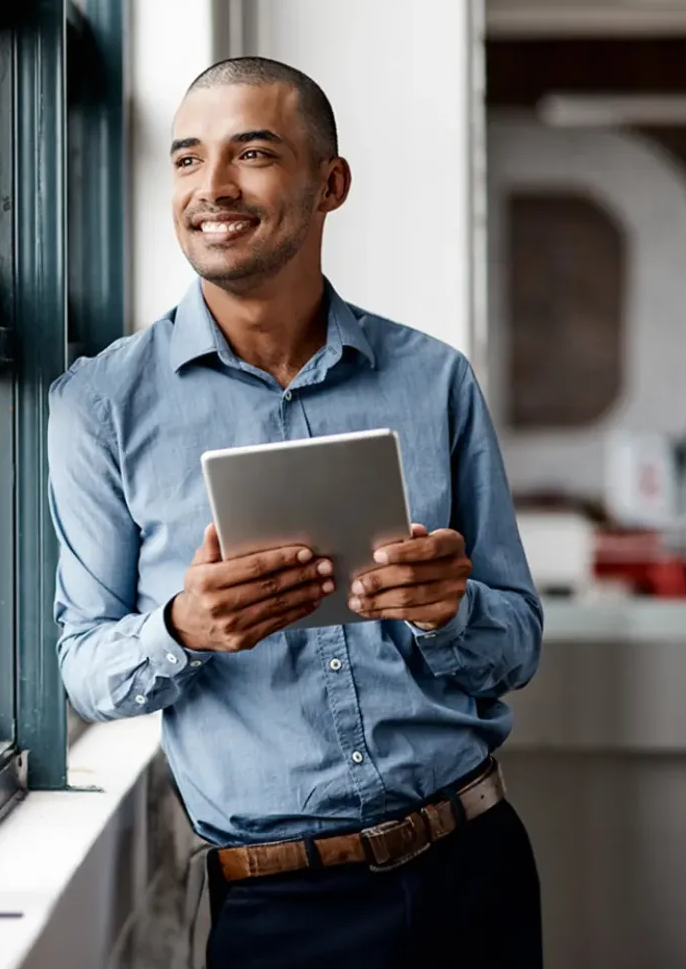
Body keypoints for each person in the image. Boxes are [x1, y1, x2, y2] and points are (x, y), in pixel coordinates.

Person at [47, 56, 544, 968]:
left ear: (331, 183)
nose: (213, 188)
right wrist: (183, 628)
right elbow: (81, 665)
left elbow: (518, 645)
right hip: (280, 911)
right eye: (188, 159)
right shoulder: (102, 405)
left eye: (254, 153)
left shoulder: (435, 380)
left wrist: (449, 611)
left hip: (476, 869)